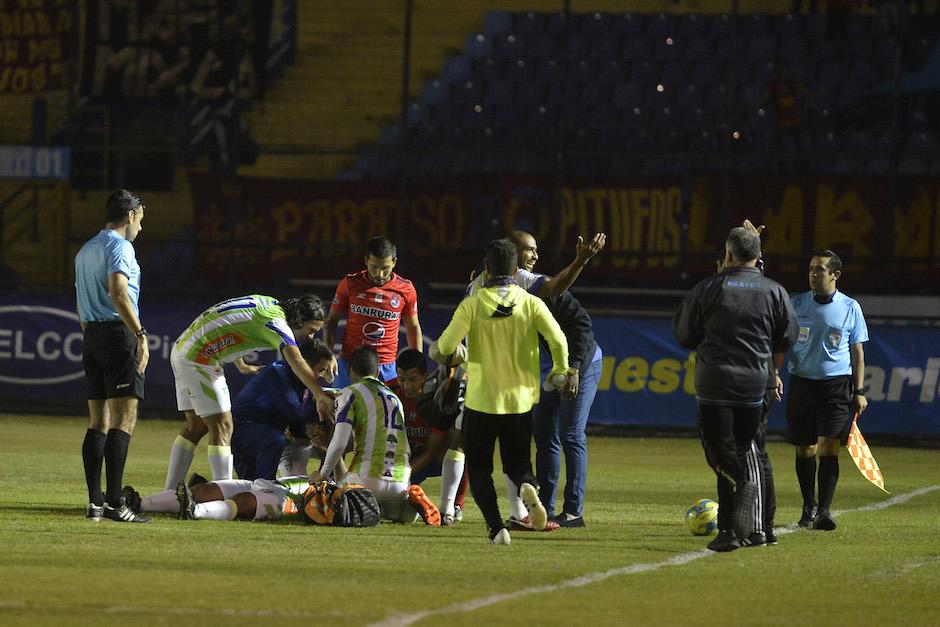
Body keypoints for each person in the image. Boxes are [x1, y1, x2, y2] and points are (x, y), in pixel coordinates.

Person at [464, 230, 606, 531]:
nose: (536, 256)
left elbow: (581, 325)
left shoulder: (528, 283)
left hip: (583, 361)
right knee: (543, 436)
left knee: (570, 434)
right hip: (551, 365)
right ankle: (543, 510)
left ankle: (572, 512)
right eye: (530, 250)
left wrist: (574, 369)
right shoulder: (485, 282)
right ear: (512, 253)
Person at [436, 239, 570, 545]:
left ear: (487, 267)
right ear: (515, 269)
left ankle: (497, 529)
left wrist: (458, 354)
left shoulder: (473, 304)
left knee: (480, 470)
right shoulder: (531, 302)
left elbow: (444, 347)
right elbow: (559, 340)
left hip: (482, 400)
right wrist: (560, 371)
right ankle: (526, 485)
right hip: (520, 401)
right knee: (518, 464)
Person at [674, 227, 798, 552]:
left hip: (715, 384)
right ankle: (731, 531)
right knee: (742, 451)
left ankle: (742, 492)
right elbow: (788, 336)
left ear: (727, 255)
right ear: (759, 256)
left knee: (720, 455)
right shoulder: (774, 291)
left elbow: (685, 335)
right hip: (756, 385)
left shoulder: (708, 288)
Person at [164, 294, 337, 489]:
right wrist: (319, 394)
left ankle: (170, 491)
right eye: (311, 331)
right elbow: (296, 360)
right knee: (223, 425)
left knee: (196, 427)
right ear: (297, 321)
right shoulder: (278, 325)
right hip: (200, 358)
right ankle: (223, 493)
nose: (311, 337)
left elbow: (230, 321)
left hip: (182, 349)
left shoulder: (269, 304)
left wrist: (239, 360)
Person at [75, 189, 151, 524]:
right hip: (117, 334)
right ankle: (115, 504)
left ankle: (95, 503)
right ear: (131, 214)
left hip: (91, 334)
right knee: (124, 419)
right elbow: (118, 290)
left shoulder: (86, 249)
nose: (140, 228)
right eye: (141, 220)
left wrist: (92, 336)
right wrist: (139, 334)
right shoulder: (120, 246)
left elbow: (81, 302)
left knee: (98, 421)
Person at [787, 249, 869, 531]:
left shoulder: (850, 307)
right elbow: (781, 341)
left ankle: (824, 510)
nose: (813, 273)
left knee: (828, 446)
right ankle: (808, 505)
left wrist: (859, 390)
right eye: (811, 268)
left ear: (835, 274)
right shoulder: (796, 303)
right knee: (805, 449)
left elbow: (857, 352)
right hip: (801, 384)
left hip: (836, 386)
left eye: (820, 269)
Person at [313, 345, 440, 525]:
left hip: (366, 480)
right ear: (378, 370)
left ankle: (370, 505)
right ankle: (408, 509)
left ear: (349, 369)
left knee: (333, 495)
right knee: (394, 515)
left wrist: (323, 474)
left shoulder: (349, 393)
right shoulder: (395, 397)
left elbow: (340, 442)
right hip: (401, 480)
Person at [324, 236, 422, 389]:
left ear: (394, 262)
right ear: (366, 261)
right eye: (374, 267)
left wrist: (417, 362)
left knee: (384, 412)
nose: (380, 274)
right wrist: (328, 355)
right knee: (341, 410)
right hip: (350, 364)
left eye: (385, 268)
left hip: (386, 367)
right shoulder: (349, 283)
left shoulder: (406, 289)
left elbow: (413, 327)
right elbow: (331, 320)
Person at [230, 339, 335, 480]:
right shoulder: (278, 373)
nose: (319, 376)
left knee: (333, 437)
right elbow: (296, 413)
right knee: (274, 444)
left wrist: (318, 431)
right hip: (244, 432)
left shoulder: (301, 381)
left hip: (264, 434)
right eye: (320, 370)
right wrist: (328, 412)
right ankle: (266, 486)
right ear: (304, 364)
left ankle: (329, 484)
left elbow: (298, 423)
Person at [391, 348, 468, 525]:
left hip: (431, 458)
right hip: (405, 458)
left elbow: (431, 451)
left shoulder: (435, 399)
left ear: (424, 376)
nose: (406, 386)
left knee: (461, 444)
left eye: (413, 380)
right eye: (402, 379)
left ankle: (455, 505)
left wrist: (403, 475)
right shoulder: (391, 393)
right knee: (398, 514)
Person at [125, 475, 310, 522]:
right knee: (205, 489)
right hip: (270, 482)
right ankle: (139, 504)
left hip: (298, 501)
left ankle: (195, 511)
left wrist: (325, 473)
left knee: (245, 501)